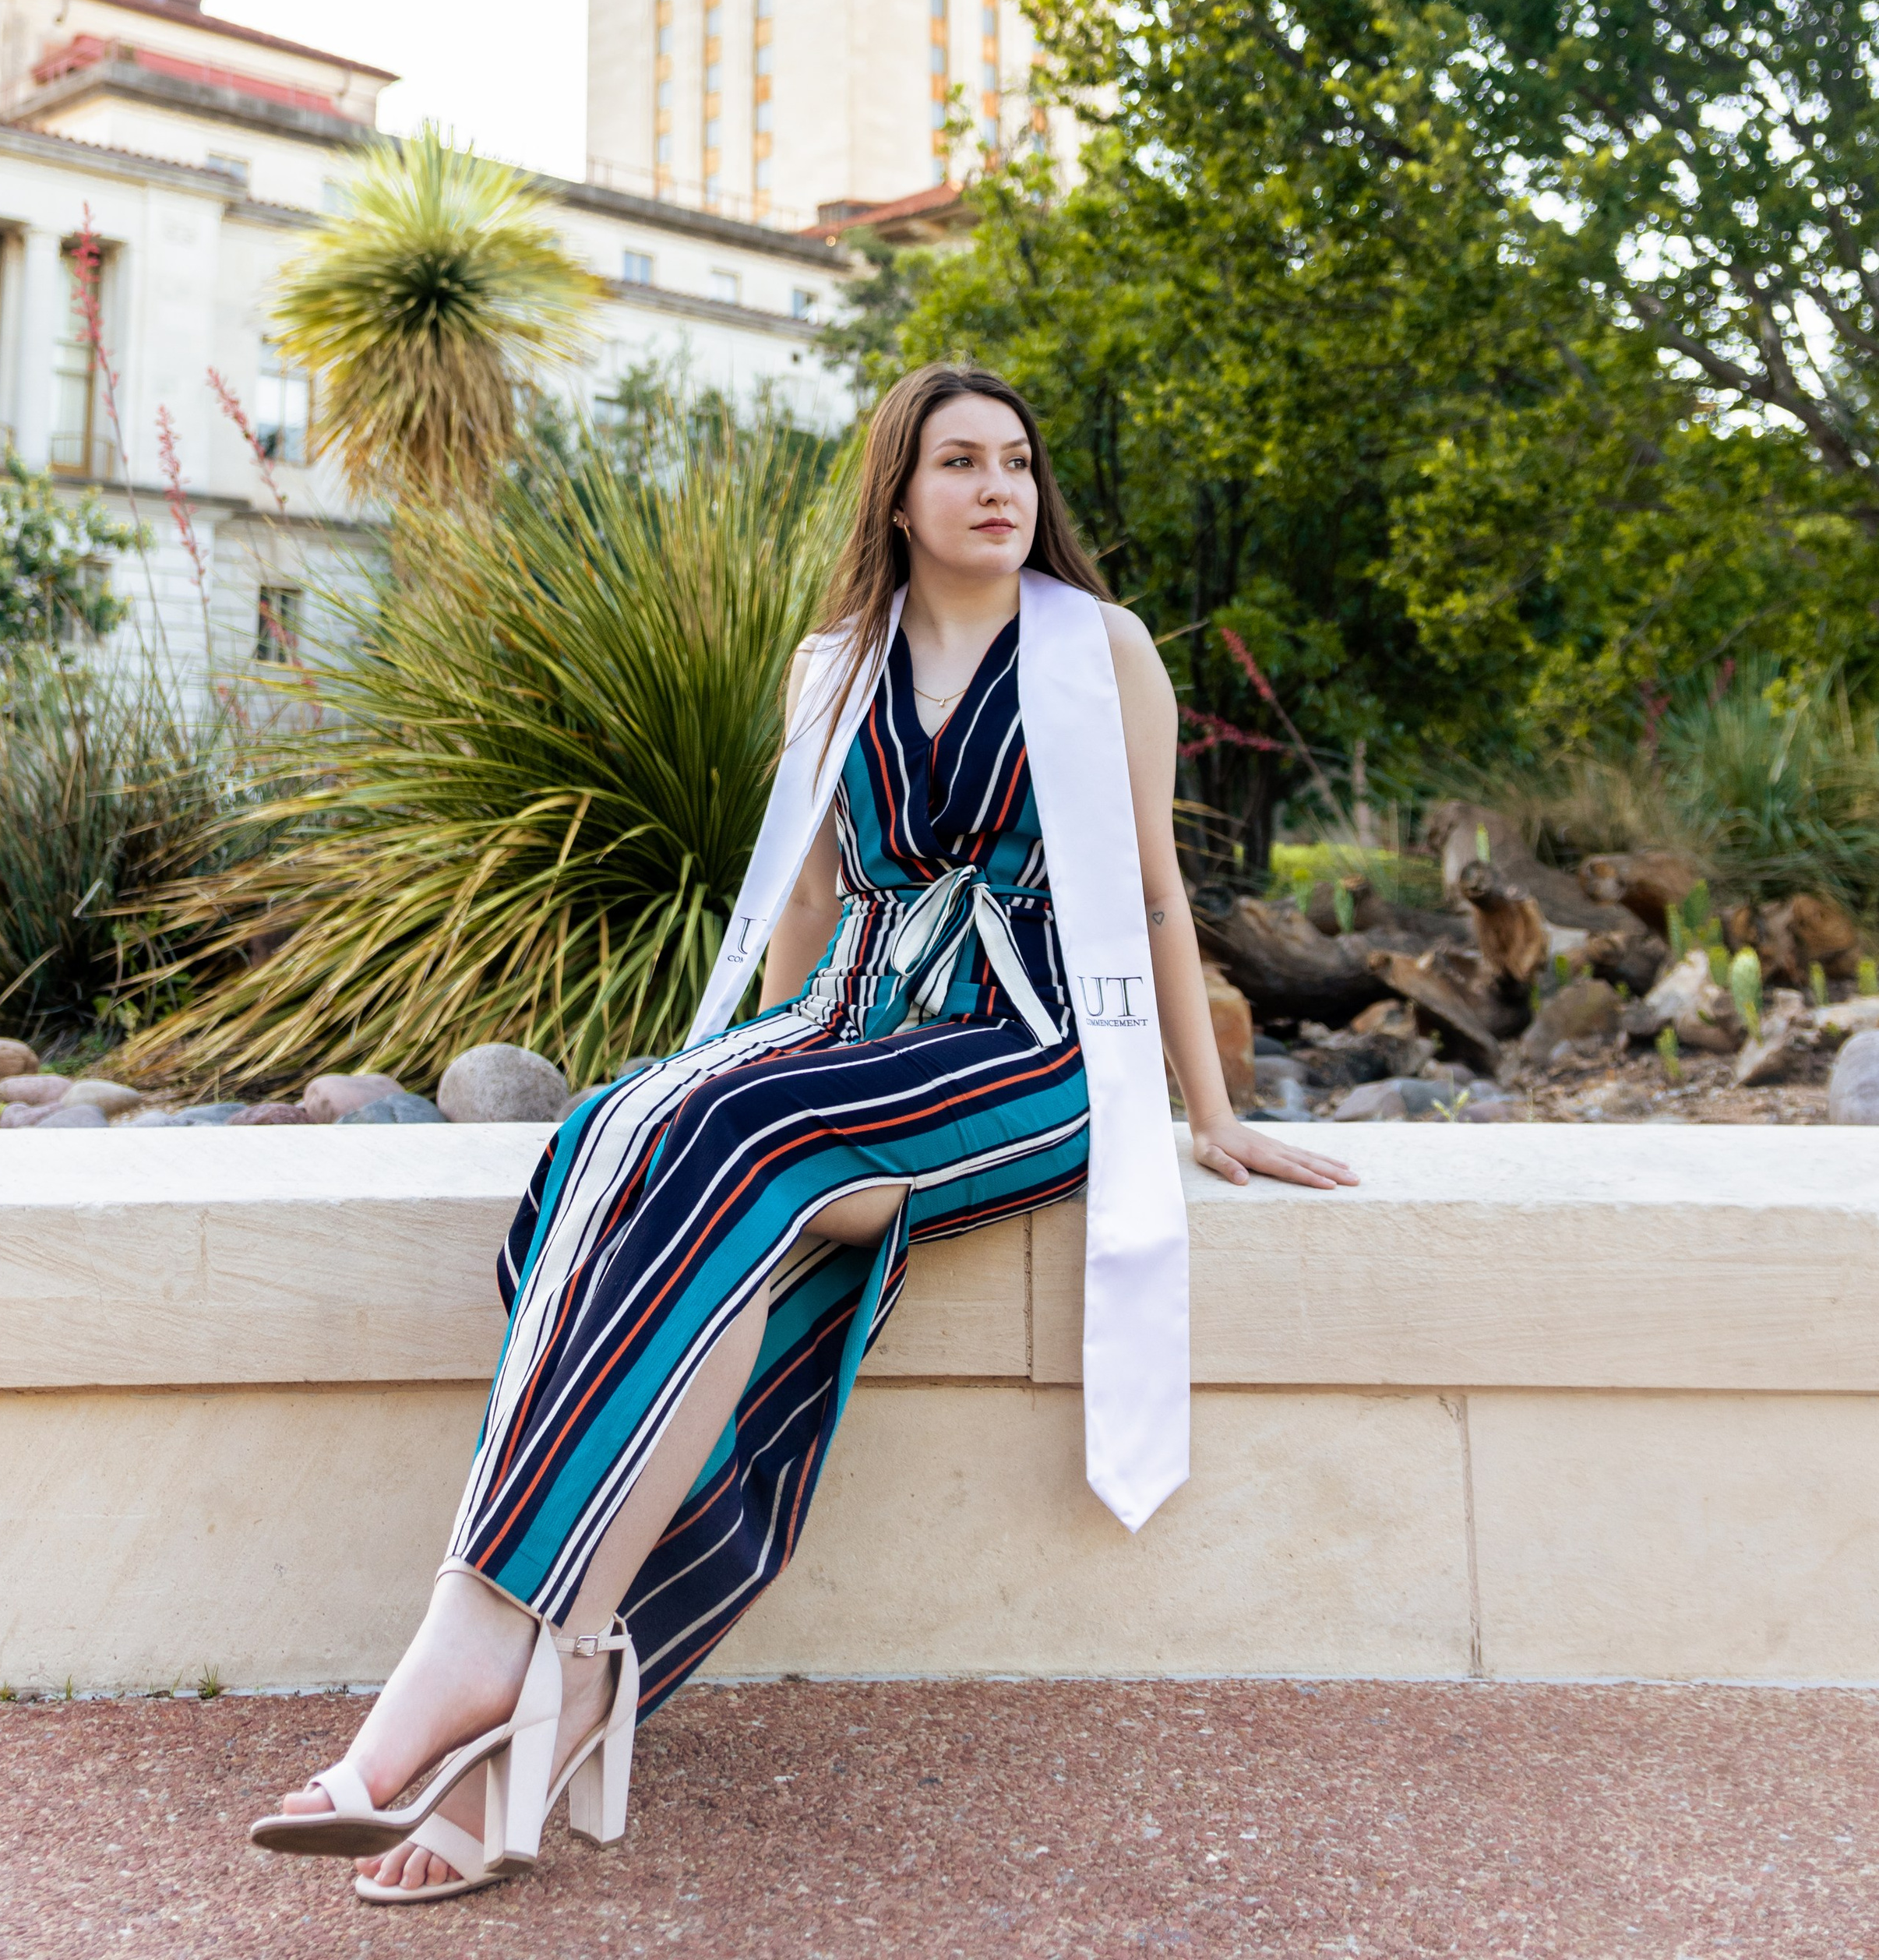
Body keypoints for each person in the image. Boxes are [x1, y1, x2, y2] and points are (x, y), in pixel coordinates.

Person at [252, 362, 1355, 1905]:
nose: (998, 489)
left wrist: (1214, 1115)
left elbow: (1162, 891)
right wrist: (734, 1068)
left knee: (739, 1144)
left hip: (1027, 1050)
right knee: (619, 1126)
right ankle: (549, 1669)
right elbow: (812, 900)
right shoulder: (832, 661)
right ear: (895, 492)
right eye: (959, 461)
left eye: (1018, 464)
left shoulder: (1097, 649)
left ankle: (466, 1666)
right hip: (847, 1022)